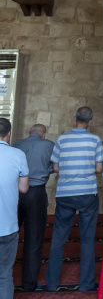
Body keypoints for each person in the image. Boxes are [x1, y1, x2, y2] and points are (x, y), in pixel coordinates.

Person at [45, 107, 103, 292]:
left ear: (74, 118)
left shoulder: (62, 139)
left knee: (58, 239)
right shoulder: (95, 140)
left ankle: (52, 283)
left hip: (65, 193)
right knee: (87, 240)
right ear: (90, 121)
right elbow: (99, 169)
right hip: (87, 193)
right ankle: (86, 284)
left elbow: (55, 168)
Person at [13, 124, 54, 291]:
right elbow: (54, 167)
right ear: (43, 135)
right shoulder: (49, 145)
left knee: (8, 235)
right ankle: (29, 284)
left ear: (29, 133)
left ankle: (5, 279)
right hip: (36, 193)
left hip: (15, 193)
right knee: (34, 239)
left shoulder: (17, 144)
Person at [0, 117, 29, 299]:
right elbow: (23, 188)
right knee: (4, 275)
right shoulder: (18, 154)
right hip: (8, 226)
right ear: (9, 134)